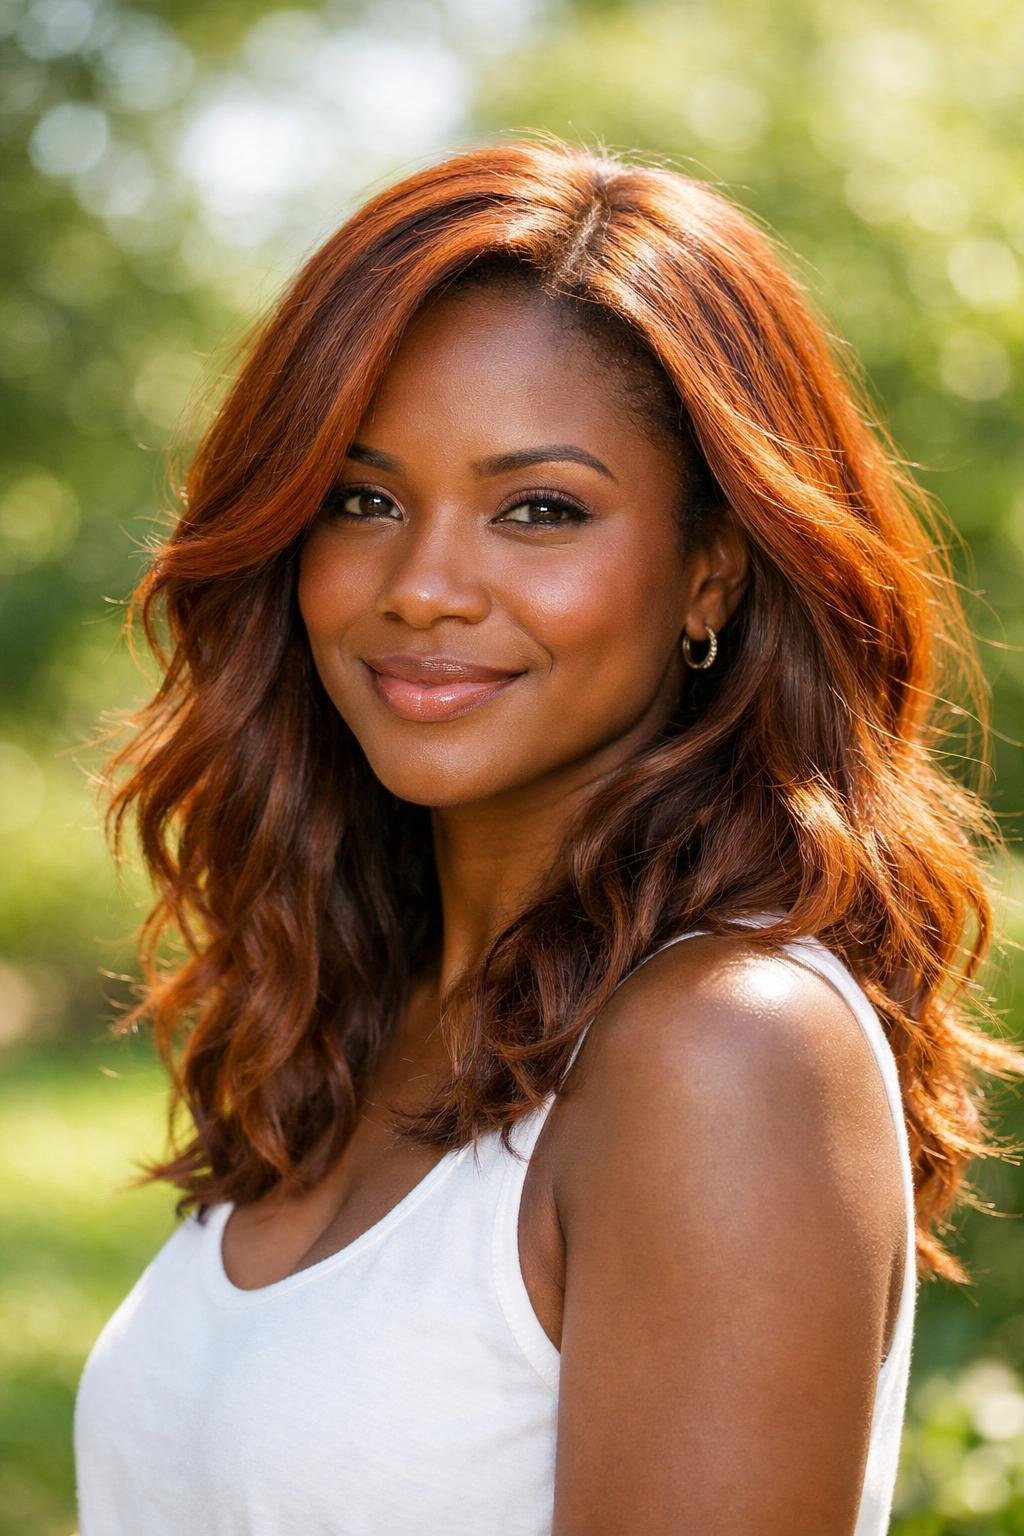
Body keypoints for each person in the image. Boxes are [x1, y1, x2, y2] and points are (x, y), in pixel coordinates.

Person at [72, 134, 1023, 1535]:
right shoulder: (363, 1010)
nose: (425, 586)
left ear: (712, 569)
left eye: (540, 510)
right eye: (364, 499)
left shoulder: (722, 1048)